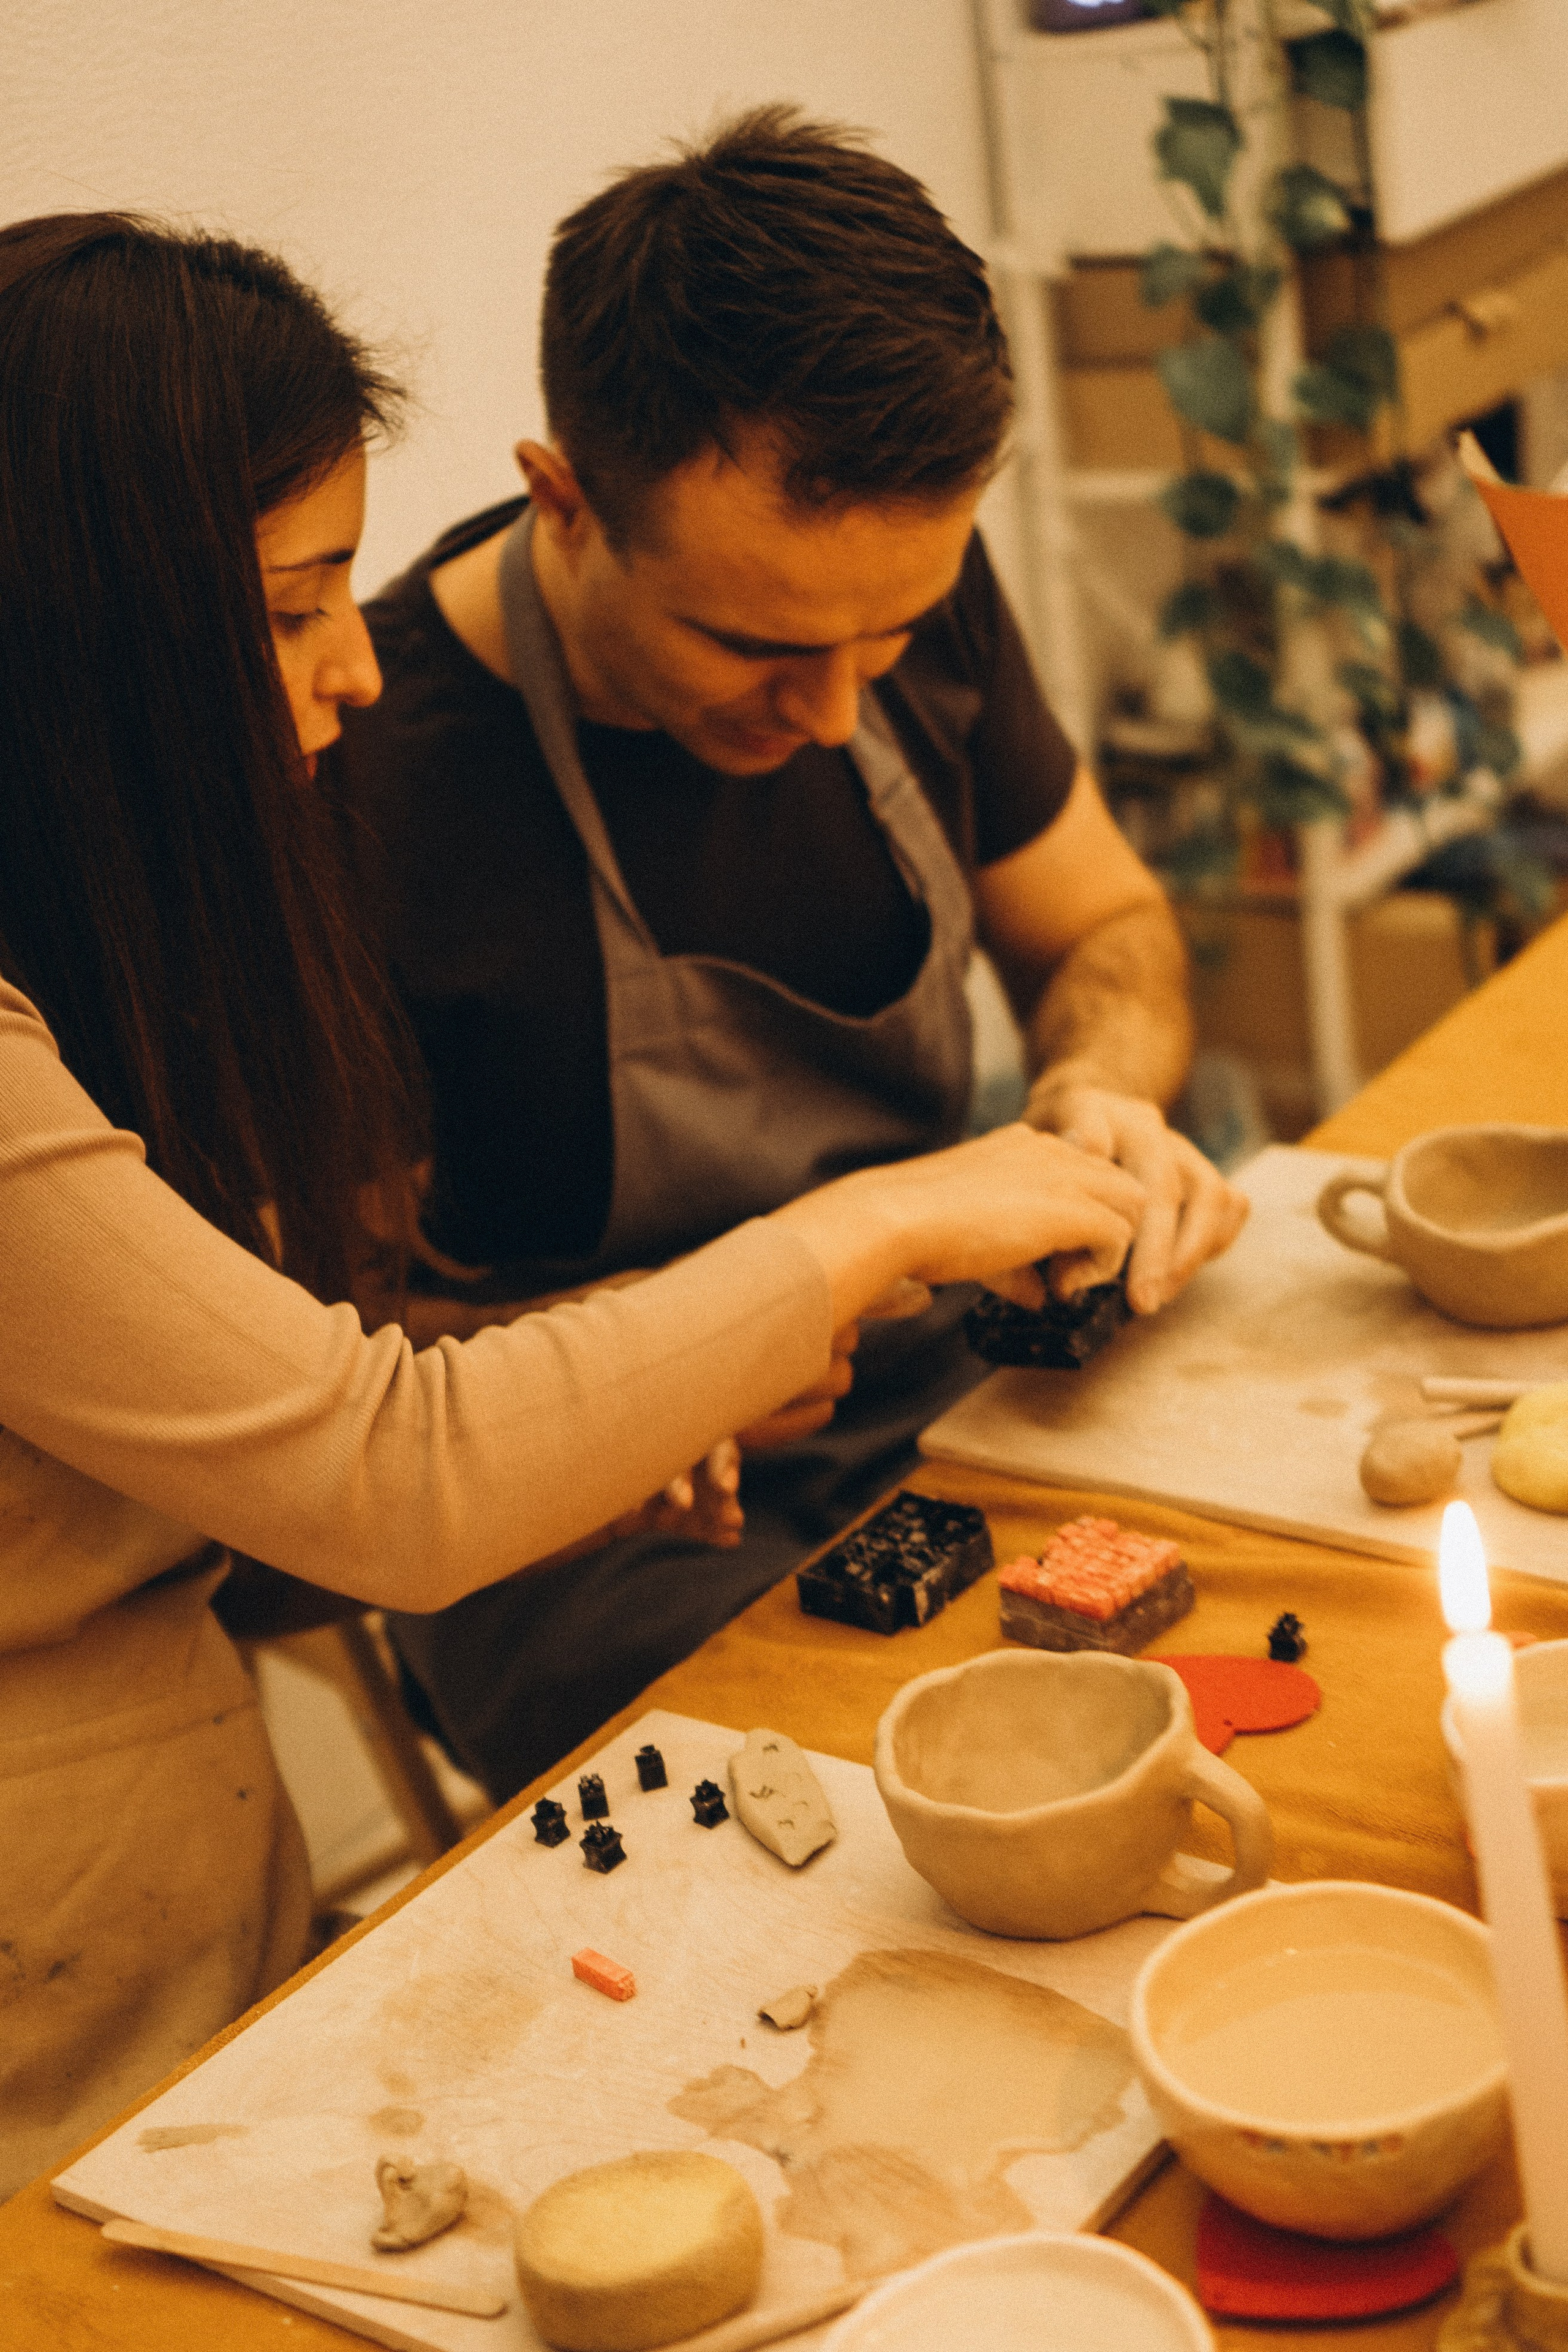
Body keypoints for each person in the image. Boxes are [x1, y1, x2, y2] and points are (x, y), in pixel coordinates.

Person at [0, 211, 1145, 2195]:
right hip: (68, 2016)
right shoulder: (346, 818)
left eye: (337, 590)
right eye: (284, 610)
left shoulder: (125, 892)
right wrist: (860, 1239)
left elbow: (255, 1415)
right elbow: (364, 1476)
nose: (345, 666)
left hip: (207, 1929)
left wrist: (1090, 1118)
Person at [333, 108, 1250, 1801]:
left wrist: (1095, 1093)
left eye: (887, 637)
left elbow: (1111, 926)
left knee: (1288, 1601)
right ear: (565, 501)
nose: (835, 709)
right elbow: (334, 1392)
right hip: (598, 1525)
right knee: (910, 1805)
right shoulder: (366, 779)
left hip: (966, 1383)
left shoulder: (895, 584)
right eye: (753, 643)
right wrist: (656, 1354)